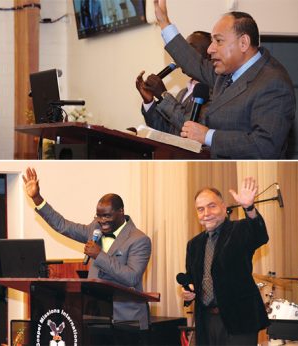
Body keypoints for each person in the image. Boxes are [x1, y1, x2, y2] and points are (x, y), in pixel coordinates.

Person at [153, 0, 295, 159]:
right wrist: (164, 23)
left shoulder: (273, 83)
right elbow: (192, 63)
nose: (210, 49)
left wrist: (207, 136)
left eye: (218, 41)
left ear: (243, 43)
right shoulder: (226, 73)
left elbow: (265, 146)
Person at [22, 167, 152, 333]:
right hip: (95, 317)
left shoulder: (139, 239)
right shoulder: (94, 229)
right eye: (98, 216)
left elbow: (131, 277)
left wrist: (99, 255)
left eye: (107, 216)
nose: (101, 221)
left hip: (126, 321)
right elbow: (63, 225)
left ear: (121, 212)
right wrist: (37, 198)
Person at [181, 177, 269, 345]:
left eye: (211, 206)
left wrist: (249, 207)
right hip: (206, 321)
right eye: (200, 209)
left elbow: (259, 234)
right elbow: (191, 278)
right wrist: (188, 292)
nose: (206, 213)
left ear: (224, 207)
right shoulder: (193, 244)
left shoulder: (239, 230)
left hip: (239, 320)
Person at [136, 31, 212, 135]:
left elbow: (192, 127)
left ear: (208, 57)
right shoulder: (183, 93)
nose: (183, 54)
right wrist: (149, 101)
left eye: (190, 49)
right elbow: (166, 131)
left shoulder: (213, 91)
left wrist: (163, 95)